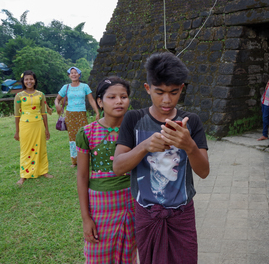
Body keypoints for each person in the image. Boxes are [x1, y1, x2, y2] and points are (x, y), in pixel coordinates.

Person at [113, 52, 210, 264]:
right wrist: (144, 146)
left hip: (182, 214)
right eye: (159, 92)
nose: (166, 100)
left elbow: (203, 172)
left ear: (181, 89)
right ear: (148, 89)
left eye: (174, 92)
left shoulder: (190, 121)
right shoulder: (134, 119)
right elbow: (118, 167)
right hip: (147, 214)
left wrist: (189, 146)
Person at [76, 76, 137, 263]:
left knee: (129, 254)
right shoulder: (87, 133)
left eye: (124, 96)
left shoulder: (137, 130)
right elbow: (82, 175)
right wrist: (86, 218)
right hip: (101, 204)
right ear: (100, 102)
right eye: (112, 97)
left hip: (133, 202)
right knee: (97, 255)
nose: (119, 101)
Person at [14, 70, 53, 186]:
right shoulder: (19, 96)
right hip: (25, 125)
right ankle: (24, 175)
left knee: (41, 148)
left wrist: (47, 129)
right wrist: (17, 132)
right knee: (25, 150)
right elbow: (17, 115)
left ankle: (43, 171)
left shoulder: (40, 95)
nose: (29, 81)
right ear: (23, 81)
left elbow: (44, 113)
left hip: (38, 124)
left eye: (31, 79)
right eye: (26, 79)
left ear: (34, 80)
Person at [55, 67, 100, 167]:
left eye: (76, 73)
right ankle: (74, 161)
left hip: (81, 114)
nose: (74, 74)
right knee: (72, 138)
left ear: (79, 75)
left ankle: (86, 159)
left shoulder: (85, 86)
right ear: (69, 75)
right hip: (70, 115)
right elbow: (57, 99)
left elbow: (91, 100)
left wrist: (97, 112)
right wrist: (57, 106)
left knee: (85, 136)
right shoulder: (65, 87)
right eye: (72, 73)